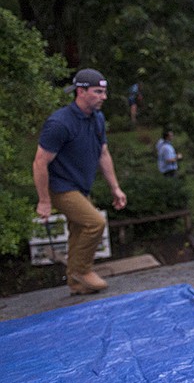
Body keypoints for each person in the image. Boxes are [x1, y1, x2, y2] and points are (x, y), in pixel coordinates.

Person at [32, 68, 127, 295]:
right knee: (95, 222)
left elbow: (103, 154)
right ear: (81, 92)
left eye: (104, 92)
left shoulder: (97, 119)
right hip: (60, 187)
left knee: (79, 228)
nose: (104, 97)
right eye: (98, 92)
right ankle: (82, 271)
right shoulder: (60, 123)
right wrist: (44, 200)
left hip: (80, 185)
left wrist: (115, 187)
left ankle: (76, 284)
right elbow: (39, 163)